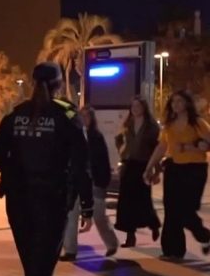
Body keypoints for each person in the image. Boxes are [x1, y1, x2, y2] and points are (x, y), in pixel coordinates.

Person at [0, 62, 93, 276]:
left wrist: (15, 165)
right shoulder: (67, 116)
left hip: (18, 201)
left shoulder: (15, 115)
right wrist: (88, 206)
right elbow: (82, 163)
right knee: (40, 267)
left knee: (35, 266)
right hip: (52, 201)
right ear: (59, 84)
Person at [143, 90, 210, 260]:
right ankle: (173, 250)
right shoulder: (169, 125)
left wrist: (190, 147)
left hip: (195, 169)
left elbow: (207, 144)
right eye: (173, 102)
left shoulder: (197, 123)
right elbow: (161, 148)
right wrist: (149, 167)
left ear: (187, 103)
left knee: (186, 209)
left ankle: (204, 236)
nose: (176, 105)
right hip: (174, 169)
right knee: (171, 210)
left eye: (179, 101)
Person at [59, 106, 118, 261]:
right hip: (76, 181)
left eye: (87, 116)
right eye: (81, 116)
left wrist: (103, 181)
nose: (84, 119)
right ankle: (70, 249)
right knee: (71, 215)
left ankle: (111, 243)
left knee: (98, 215)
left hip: (94, 182)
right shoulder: (73, 136)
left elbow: (103, 161)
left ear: (92, 119)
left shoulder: (96, 137)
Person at [114, 96, 161, 248]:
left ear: (144, 108)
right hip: (129, 165)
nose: (135, 109)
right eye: (133, 106)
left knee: (143, 199)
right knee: (126, 201)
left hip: (143, 166)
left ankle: (153, 225)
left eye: (138, 106)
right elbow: (118, 139)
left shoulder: (151, 127)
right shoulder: (127, 124)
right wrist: (122, 152)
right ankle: (130, 236)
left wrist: (156, 170)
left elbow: (157, 149)